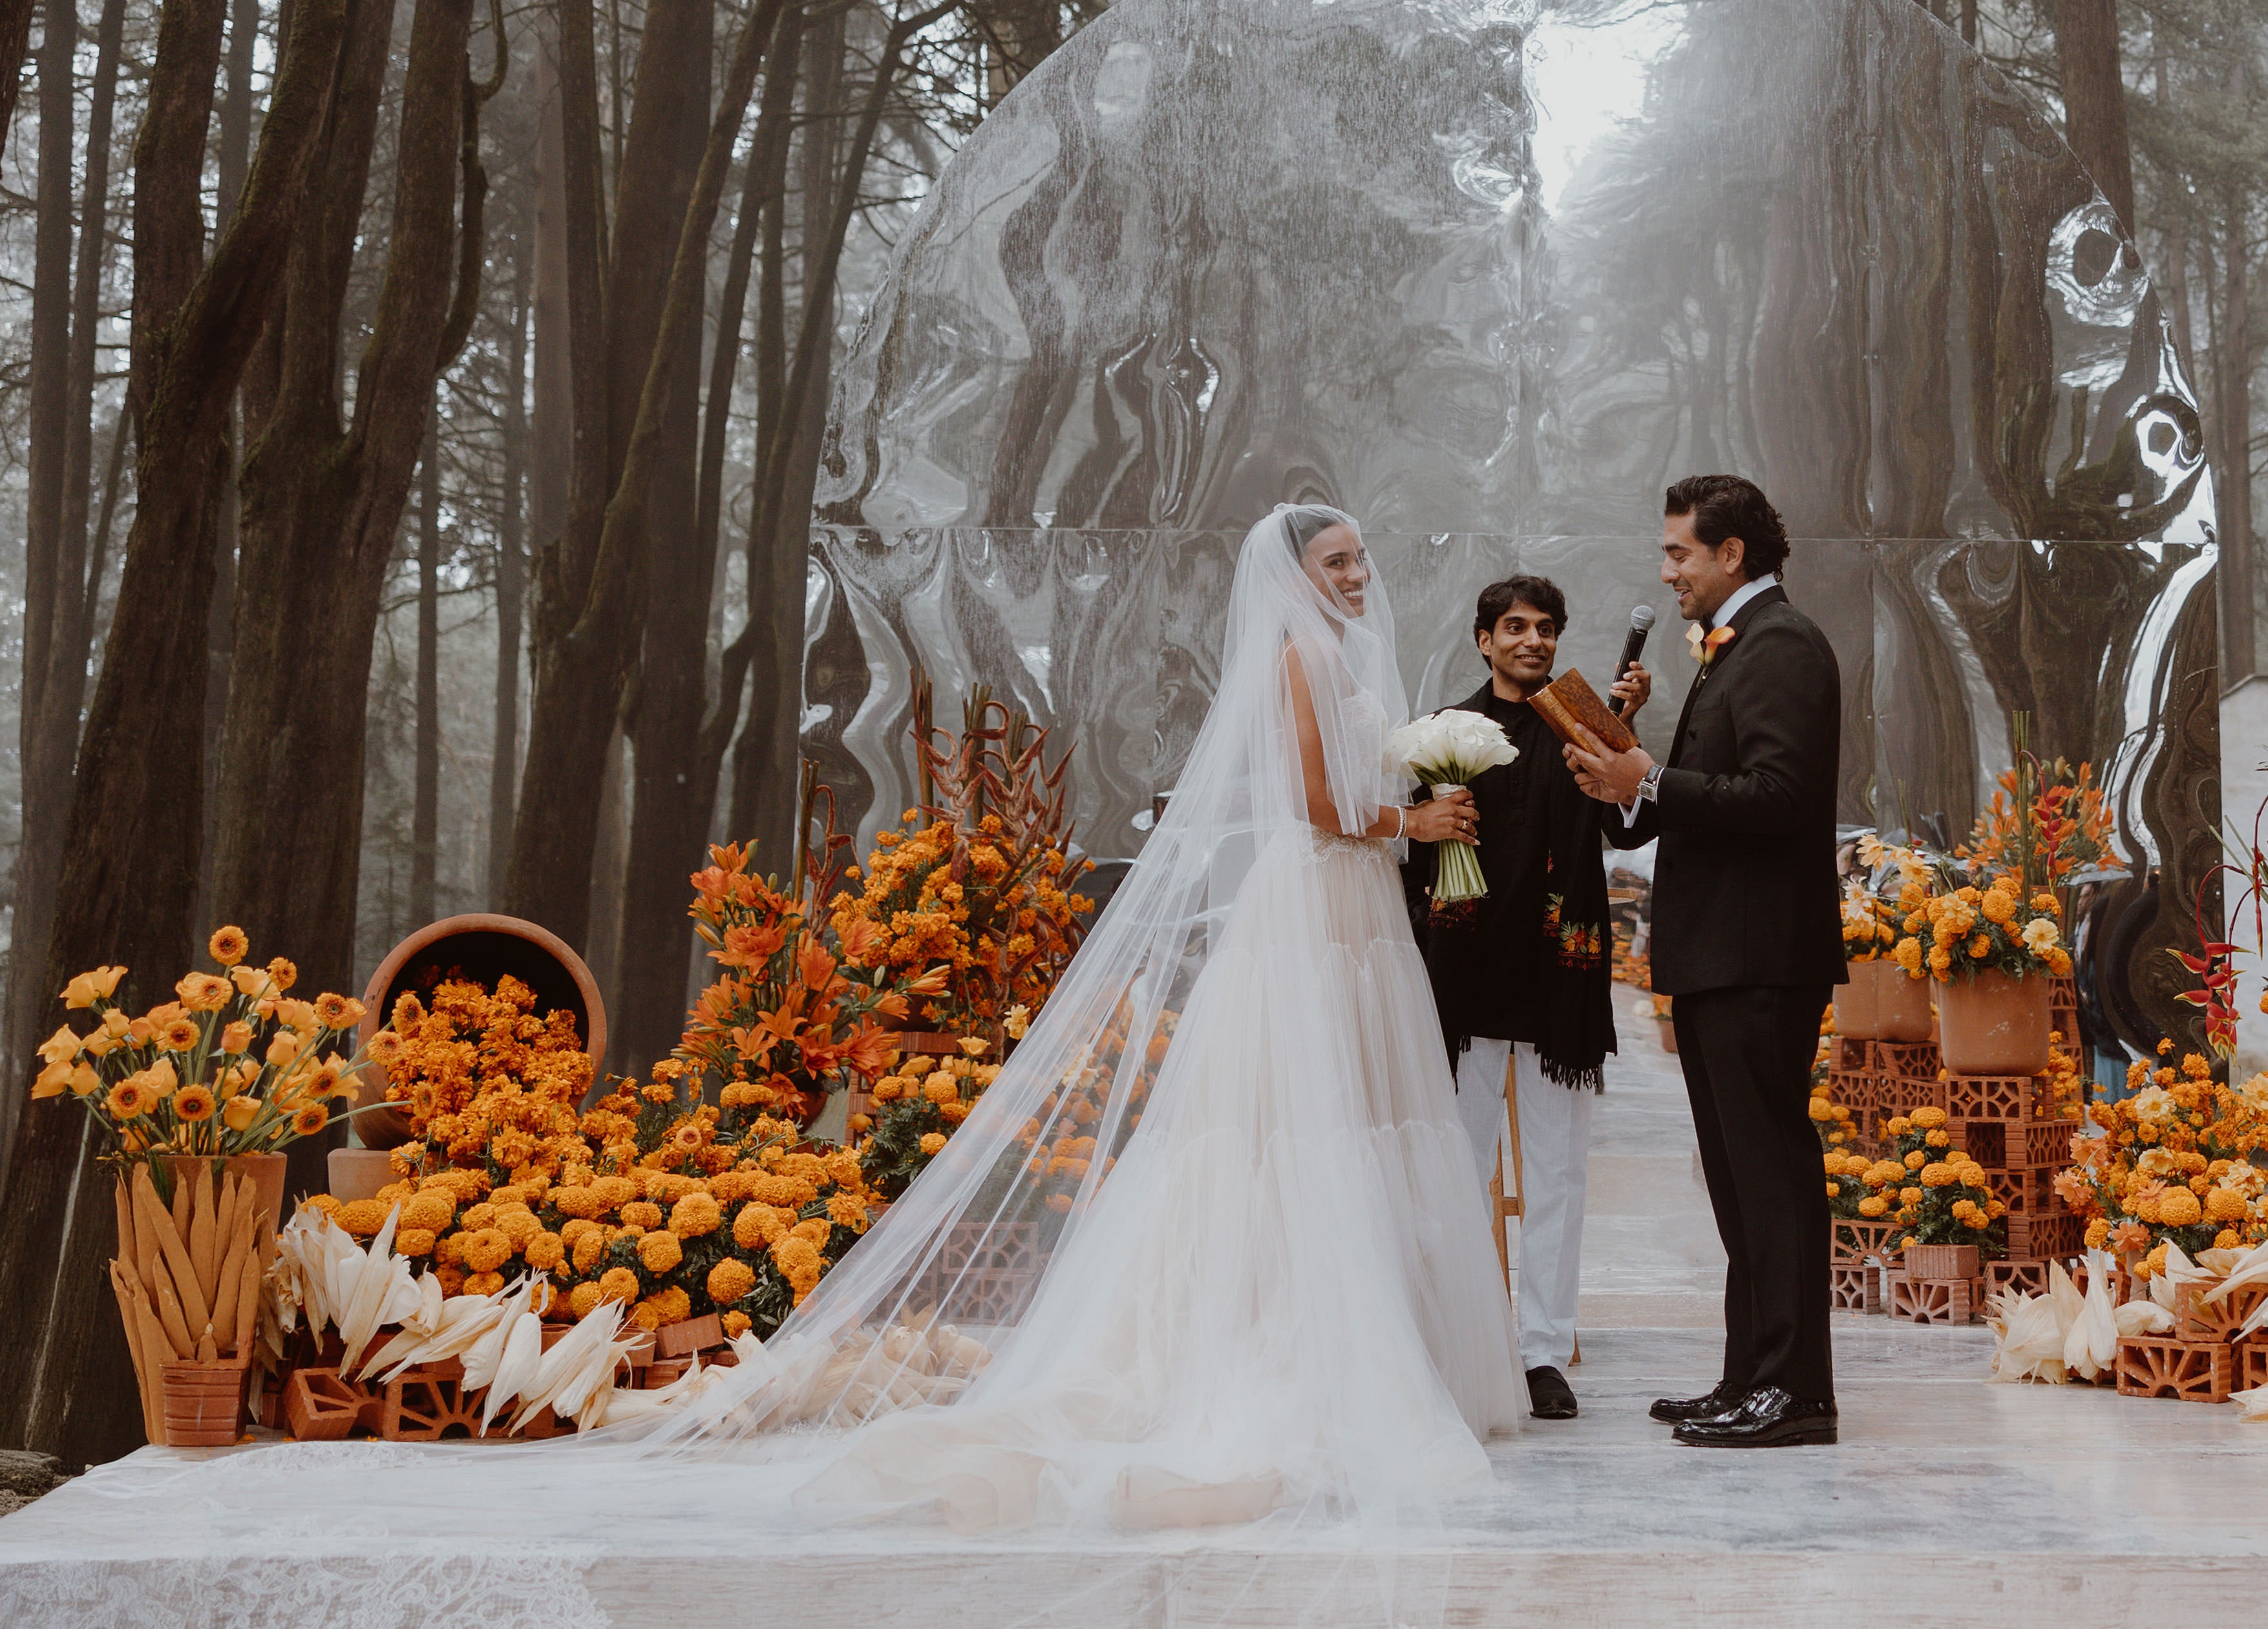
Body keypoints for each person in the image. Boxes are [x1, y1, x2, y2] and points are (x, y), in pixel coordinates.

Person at [6, 506, 1521, 1569]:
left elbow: (1354, 810)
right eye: (1333, 561)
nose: (1353, 575)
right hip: (1315, 914)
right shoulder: (1288, 667)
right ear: (1289, 577)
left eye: (1357, 559)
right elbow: (1319, 809)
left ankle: (1388, 1341)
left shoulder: (1359, 664)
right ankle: (1276, 1349)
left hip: (1357, 920)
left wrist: (1420, 816)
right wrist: (1419, 812)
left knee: (1373, 1125)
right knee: (1286, 1135)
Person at [1563, 473, 1845, 1450]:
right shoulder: (1735, 652)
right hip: (1725, 952)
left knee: (1769, 1172)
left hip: (1760, 954)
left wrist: (1655, 780)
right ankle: (1750, 1377)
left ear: (1734, 554)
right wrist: (1629, 769)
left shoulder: (1783, 646)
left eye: (1680, 551)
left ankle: (1797, 1393)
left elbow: (1779, 799)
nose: (1667, 569)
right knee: (1736, 1176)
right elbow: (1704, 796)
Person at [1402, 575, 1643, 1423]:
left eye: (1546, 628)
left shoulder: (1580, 720)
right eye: (1515, 627)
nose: (1532, 640)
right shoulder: (1440, 733)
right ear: (1482, 639)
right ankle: (1464, 1345)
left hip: (1558, 978)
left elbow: (1628, 823)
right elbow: (1412, 857)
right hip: (1465, 979)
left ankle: (1542, 1353)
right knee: (1456, 1172)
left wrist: (1624, 733)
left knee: (1557, 1177)